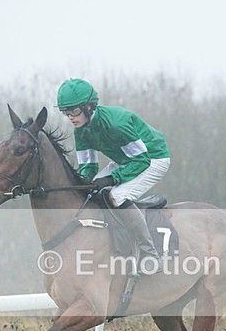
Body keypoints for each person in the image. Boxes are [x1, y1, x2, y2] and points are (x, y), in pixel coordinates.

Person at [56, 78, 170, 274]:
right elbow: (88, 168)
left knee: (117, 196)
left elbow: (142, 161)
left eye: (74, 111)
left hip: (153, 158)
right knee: (90, 192)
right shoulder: (81, 131)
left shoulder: (116, 125)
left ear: (89, 107)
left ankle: (151, 255)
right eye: (66, 113)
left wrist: (111, 179)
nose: (71, 117)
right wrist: (82, 184)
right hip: (126, 160)